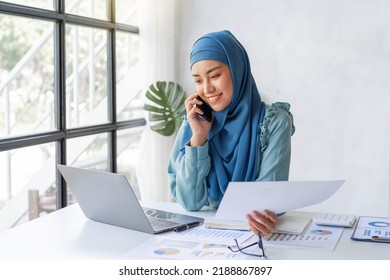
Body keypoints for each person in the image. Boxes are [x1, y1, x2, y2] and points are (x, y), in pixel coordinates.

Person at [167, 30, 295, 237]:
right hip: (203, 238)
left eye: (215, 76)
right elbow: (189, 202)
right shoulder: (194, 121)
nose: (207, 89)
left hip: (253, 236)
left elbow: (267, 199)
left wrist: (264, 214)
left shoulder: (274, 122)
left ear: (237, 70)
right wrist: (199, 139)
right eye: (198, 80)